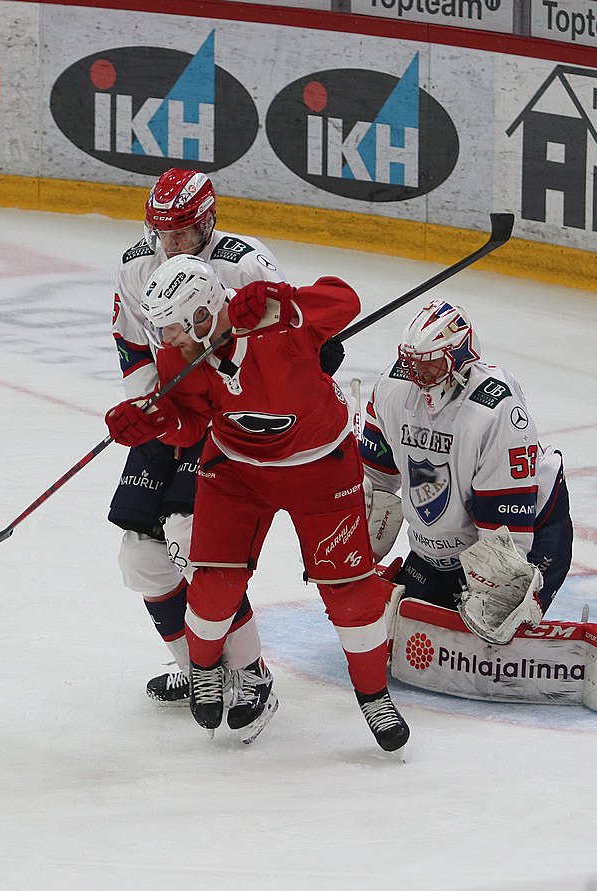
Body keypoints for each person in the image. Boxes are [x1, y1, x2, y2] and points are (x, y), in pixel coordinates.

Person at [103, 256, 409, 752]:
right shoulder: (178, 357)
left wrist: (280, 301)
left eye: (173, 326)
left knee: (351, 593)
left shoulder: (274, 324)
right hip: (236, 471)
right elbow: (191, 423)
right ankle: (205, 670)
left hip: (320, 466)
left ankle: (374, 696)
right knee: (213, 584)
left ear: (203, 313)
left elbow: (344, 300)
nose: (167, 339)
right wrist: (154, 422)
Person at [358, 299, 597, 711]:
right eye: (411, 363)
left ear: (460, 357)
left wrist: (490, 594)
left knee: (493, 627)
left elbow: (505, 538)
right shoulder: (393, 388)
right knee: (403, 619)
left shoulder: (495, 410)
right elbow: (378, 480)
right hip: (441, 545)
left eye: (430, 366)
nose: (418, 377)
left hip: (529, 536)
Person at [106, 168, 286, 709]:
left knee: (197, 544)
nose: (174, 241)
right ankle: (197, 669)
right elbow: (131, 342)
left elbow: (285, 336)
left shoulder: (244, 260)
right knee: (141, 560)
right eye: (166, 230)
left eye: (184, 229)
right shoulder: (137, 266)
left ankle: (250, 673)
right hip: (170, 415)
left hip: (227, 421)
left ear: (208, 219)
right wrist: (148, 404)